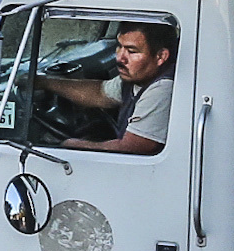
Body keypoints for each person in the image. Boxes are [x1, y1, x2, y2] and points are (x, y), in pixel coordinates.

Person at [38, 22, 175, 156]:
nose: (120, 58)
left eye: (131, 51)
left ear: (161, 56)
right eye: (119, 47)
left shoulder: (163, 88)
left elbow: (132, 147)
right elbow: (100, 93)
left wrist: (70, 145)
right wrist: (44, 83)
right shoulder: (138, 77)